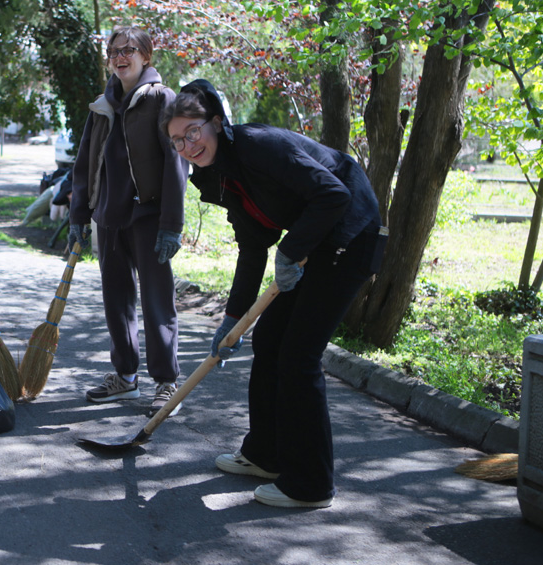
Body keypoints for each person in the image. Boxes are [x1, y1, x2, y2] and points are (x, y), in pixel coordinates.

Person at [160, 79, 386, 509]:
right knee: (267, 341)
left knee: (298, 356)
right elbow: (251, 245)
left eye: (192, 132)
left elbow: (334, 194)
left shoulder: (258, 145)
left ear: (216, 123)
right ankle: (267, 455)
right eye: (176, 140)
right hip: (312, 245)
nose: (187, 145)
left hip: (350, 236)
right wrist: (232, 318)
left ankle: (311, 484)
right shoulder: (219, 176)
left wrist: (292, 249)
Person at [68, 27, 187, 417]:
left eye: (129, 50)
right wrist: (79, 214)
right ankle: (125, 376)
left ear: (146, 55)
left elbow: (176, 164)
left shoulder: (162, 99)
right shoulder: (102, 104)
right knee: (116, 302)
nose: (121, 56)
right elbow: (85, 163)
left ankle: (167, 381)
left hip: (149, 216)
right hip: (109, 216)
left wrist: (171, 223)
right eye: (114, 51)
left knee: (157, 302)